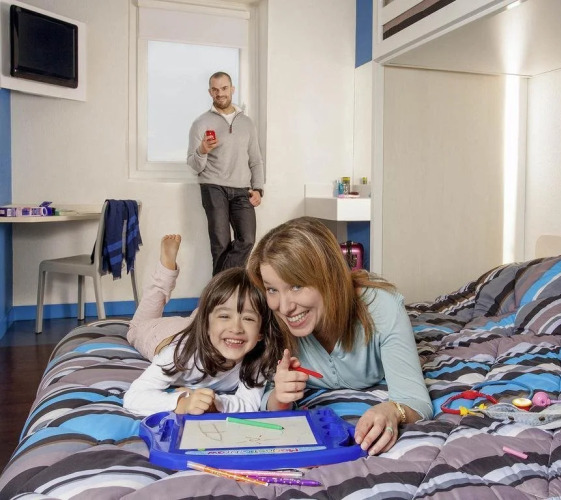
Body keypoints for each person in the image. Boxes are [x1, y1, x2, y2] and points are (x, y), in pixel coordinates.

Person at [246, 217, 433, 456]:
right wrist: (280, 398)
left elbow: (415, 400)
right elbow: (266, 396)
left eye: (296, 286)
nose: (284, 307)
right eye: (272, 289)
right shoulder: (274, 318)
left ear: (329, 278)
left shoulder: (382, 307)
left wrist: (392, 411)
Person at [124, 234, 281, 416]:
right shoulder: (179, 354)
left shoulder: (257, 359)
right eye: (225, 316)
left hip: (207, 328)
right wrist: (182, 403)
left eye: (248, 319)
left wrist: (216, 403)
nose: (237, 328)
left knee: (219, 314)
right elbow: (134, 397)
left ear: (261, 331)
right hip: (166, 337)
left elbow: (248, 404)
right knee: (137, 327)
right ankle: (165, 271)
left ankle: (215, 314)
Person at [186, 71, 264, 275]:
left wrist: (258, 188)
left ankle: (218, 287)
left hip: (242, 189)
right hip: (213, 186)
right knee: (220, 244)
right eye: (215, 89)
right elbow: (194, 165)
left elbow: (255, 160)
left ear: (232, 89)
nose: (220, 93)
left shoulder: (247, 123)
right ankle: (224, 292)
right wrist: (203, 150)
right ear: (210, 92)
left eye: (224, 88)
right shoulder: (200, 123)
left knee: (247, 240)